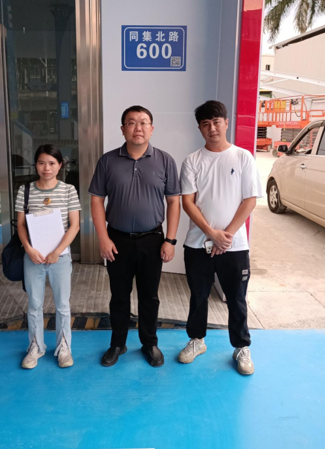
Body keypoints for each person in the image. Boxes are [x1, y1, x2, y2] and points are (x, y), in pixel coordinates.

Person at [89, 105, 180, 367]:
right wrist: (103, 238)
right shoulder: (107, 161)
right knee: (119, 295)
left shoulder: (165, 160)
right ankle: (118, 343)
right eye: (131, 122)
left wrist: (170, 240)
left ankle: (149, 343)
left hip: (153, 239)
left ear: (151, 128)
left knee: (149, 296)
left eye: (143, 122)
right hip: (117, 240)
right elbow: (96, 200)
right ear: (123, 129)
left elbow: (174, 202)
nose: (137, 128)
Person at [179, 100, 263, 375]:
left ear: (226, 123)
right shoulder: (192, 161)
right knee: (198, 295)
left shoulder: (243, 157)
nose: (212, 128)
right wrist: (211, 233)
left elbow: (250, 200)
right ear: (200, 128)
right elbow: (188, 202)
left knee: (236, 298)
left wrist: (225, 236)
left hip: (234, 246)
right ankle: (196, 340)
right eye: (206, 124)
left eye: (216, 122)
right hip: (197, 244)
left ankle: (241, 346)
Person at [16, 144, 81, 369]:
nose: (47, 168)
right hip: (33, 256)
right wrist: (28, 248)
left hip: (60, 257)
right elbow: (21, 225)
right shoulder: (25, 190)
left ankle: (64, 347)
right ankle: (36, 346)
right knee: (34, 304)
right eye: (42, 163)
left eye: (52, 163)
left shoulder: (68, 190)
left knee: (62, 304)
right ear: (36, 165)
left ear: (60, 165)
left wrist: (56, 251)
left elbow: (74, 225)